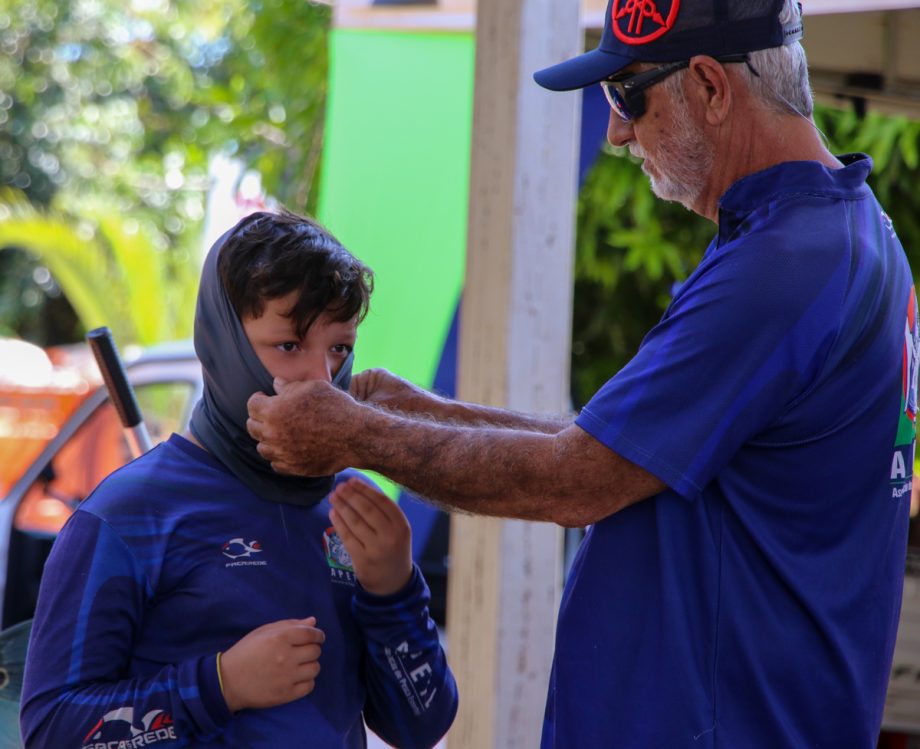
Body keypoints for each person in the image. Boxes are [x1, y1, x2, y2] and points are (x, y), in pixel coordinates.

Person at [247, 0, 916, 746]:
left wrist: (359, 435)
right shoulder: (838, 234)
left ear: (710, 87)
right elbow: (611, 447)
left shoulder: (784, 265)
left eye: (627, 95)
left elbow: (578, 478)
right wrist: (412, 412)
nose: (618, 132)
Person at [20, 210, 457, 749]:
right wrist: (220, 685)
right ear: (223, 344)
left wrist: (393, 591)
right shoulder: (130, 515)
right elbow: (49, 731)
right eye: (289, 347)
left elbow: (421, 726)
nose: (322, 382)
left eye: (339, 348)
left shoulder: (350, 510)